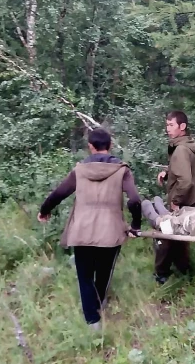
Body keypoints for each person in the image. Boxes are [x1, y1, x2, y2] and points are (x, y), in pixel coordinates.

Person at [38, 128, 142, 330]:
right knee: (103, 273)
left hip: (81, 230)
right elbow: (135, 200)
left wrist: (44, 210)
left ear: (91, 147)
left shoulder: (80, 170)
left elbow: (59, 193)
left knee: (85, 276)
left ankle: (92, 322)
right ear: (110, 146)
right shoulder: (122, 170)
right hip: (111, 231)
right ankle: (99, 304)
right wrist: (136, 225)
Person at [153, 111, 195, 284]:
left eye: (171, 125)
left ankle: (162, 274)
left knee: (167, 234)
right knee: (180, 239)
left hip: (184, 200)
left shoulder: (181, 149)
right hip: (192, 198)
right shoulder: (186, 144)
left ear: (182, 126)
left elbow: (186, 181)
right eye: (167, 125)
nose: (168, 129)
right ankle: (184, 270)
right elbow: (182, 167)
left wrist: (176, 201)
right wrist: (167, 172)